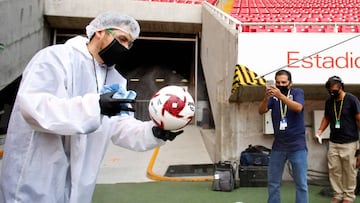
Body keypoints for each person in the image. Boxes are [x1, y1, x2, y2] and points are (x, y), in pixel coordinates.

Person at [0, 11, 183, 203]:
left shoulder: (116, 80)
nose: (125, 47)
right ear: (99, 32)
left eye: (129, 43)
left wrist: (154, 132)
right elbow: (35, 108)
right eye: (121, 39)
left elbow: (120, 127)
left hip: (78, 189)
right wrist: (96, 106)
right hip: (33, 182)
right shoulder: (56, 58)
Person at [258, 70, 308, 203]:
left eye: (284, 82)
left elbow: (298, 107)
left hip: (297, 146)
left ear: (290, 83)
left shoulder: (297, 92)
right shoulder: (273, 97)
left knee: (301, 184)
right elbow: (261, 111)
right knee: (273, 182)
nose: (280, 85)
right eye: (278, 82)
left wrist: (281, 96)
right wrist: (266, 98)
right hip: (278, 146)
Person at [315, 76, 360, 203]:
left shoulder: (351, 100)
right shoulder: (329, 101)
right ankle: (338, 194)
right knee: (334, 169)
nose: (332, 93)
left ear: (341, 88)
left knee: (349, 170)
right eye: (329, 91)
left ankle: (348, 195)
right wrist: (319, 131)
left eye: (334, 91)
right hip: (334, 141)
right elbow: (326, 118)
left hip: (350, 142)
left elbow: (359, 118)